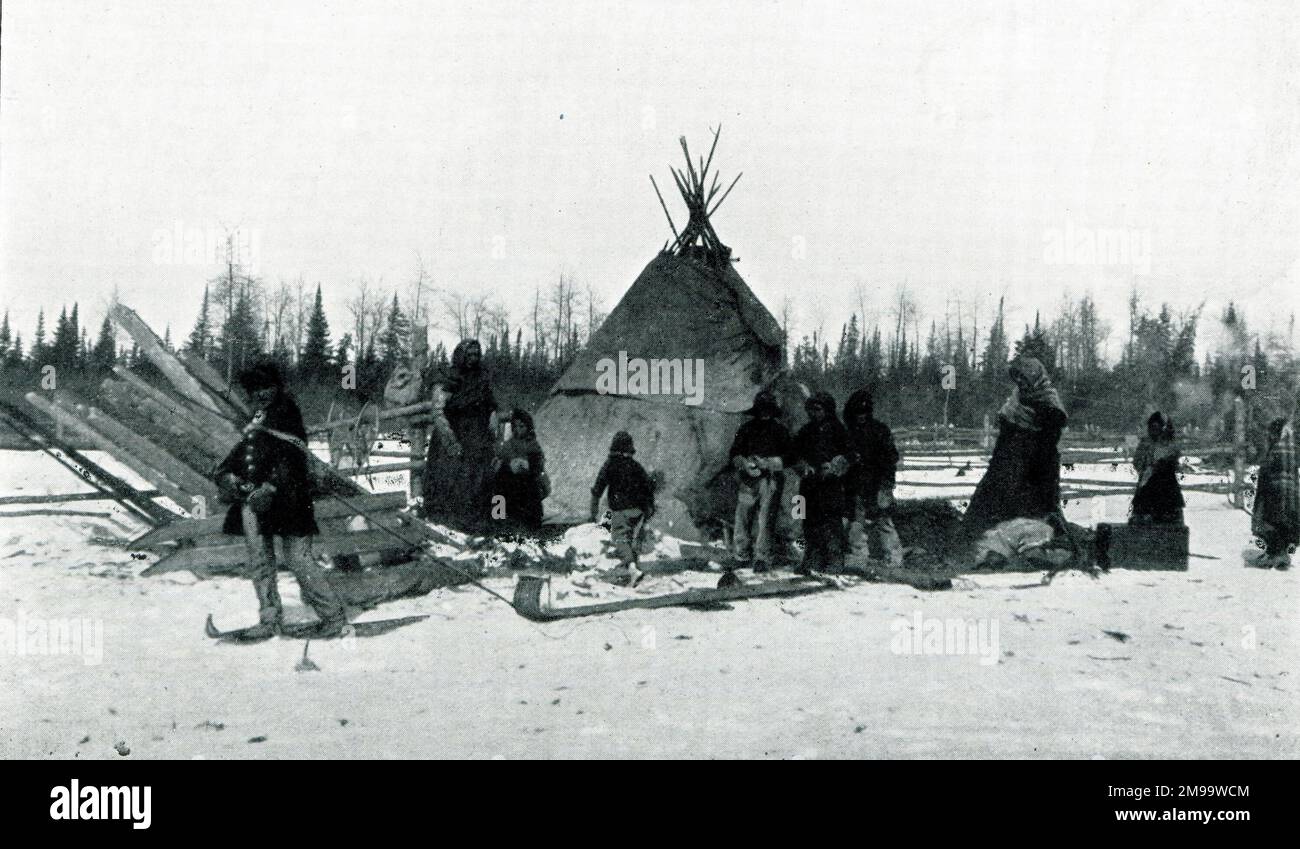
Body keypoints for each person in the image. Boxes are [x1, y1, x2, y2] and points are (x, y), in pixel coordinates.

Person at [214, 361, 347, 640]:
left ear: (277, 387)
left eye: (266, 387)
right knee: (260, 562)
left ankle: (333, 618)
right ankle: (269, 619)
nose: (261, 393)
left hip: (288, 499)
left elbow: (292, 457)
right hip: (253, 501)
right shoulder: (257, 418)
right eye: (255, 389)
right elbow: (242, 454)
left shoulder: (287, 412)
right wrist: (226, 474)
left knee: (299, 559)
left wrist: (270, 487)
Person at [964, 356, 1068, 535]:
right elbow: (1004, 434)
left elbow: (1048, 444)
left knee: (1032, 518)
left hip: (1035, 468)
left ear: (1035, 378)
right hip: (1006, 464)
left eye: (1024, 377)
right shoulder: (1015, 401)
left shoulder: (1050, 404)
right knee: (986, 512)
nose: (1021, 382)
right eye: (1017, 378)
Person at [422, 339, 498, 529]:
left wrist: (492, 419)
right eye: (469, 355)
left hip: (478, 437)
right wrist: (450, 442)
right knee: (453, 479)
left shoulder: (481, 377)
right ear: (461, 355)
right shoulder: (448, 378)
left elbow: (490, 404)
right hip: (455, 436)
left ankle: (477, 521)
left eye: (476, 355)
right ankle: (451, 523)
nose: (473, 359)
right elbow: (438, 412)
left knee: (479, 479)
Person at [728, 389, 794, 575]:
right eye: (762, 409)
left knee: (766, 519)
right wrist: (744, 463)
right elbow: (734, 453)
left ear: (773, 411)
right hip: (748, 480)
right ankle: (741, 555)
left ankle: (762, 558)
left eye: (769, 409)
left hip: (770, 480)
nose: (765, 413)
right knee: (743, 516)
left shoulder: (780, 431)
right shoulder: (746, 429)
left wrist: (770, 463)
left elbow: (790, 456)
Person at [843, 388, 904, 568]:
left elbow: (891, 458)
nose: (861, 416)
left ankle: (894, 557)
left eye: (864, 412)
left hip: (878, 483)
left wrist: (886, 484)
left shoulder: (880, 430)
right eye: (857, 413)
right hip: (855, 485)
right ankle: (859, 557)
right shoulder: (848, 432)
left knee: (883, 520)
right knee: (856, 523)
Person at [792, 392, 851, 575]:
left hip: (830, 486)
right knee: (809, 522)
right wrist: (802, 465)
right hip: (810, 485)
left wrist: (835, 465)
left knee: (832, 523)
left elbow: (850, 454)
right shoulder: (806, 431)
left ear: (827, 410)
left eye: (818, 410)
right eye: (811, 410)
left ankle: (834, 560)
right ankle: (813, 559)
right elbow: (792, 453)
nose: (813, 414)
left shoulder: (838, 430)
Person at [589, 431, 655, 586]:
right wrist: (648, 508)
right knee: (630, 540)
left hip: (621, 509)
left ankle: (632, 569)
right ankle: (633, 574)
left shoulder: (610, 464)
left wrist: (593, 512)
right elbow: (648, 486)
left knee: (619, 538)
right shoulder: (636, 465)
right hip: (638, 510)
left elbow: (598, 489)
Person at [489, 408, 548, 531]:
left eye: (522, 426)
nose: (518, 430)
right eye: (515, 426)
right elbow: (498, 462)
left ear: (528, 427)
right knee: (498, 483)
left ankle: (530, 524)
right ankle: (497, 519)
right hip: (509, 489)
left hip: (527, 490)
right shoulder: (507, 445)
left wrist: (527, 465)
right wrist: (506, 465)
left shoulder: (532, 445)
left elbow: (538, 465)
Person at [1253, 414, 1298, 569]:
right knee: (1285, 521)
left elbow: (1267, 469)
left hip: (1274, 492)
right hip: (1290, 492)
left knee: (1271, 521)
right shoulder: (1290, 447)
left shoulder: (1275, 448)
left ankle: (1276, 554)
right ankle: (1280, 553)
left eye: (1271, 433)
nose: (1268, 436)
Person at [1131, 411, 1184, 524]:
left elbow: (1175, 460)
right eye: (1152, 427)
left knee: (1169, 521)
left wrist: (1162, 465)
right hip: (1147, 488)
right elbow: (1137, 462)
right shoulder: (1145, 443)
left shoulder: (1169, 444)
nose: (1154, 430)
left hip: (1167, 489)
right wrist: (1147, 468)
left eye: (1157, 427)